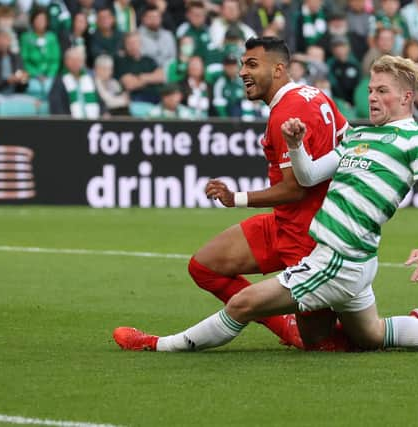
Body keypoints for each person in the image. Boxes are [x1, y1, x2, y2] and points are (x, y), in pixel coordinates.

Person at [113, 54, 418, 354]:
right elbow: (309, 177)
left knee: (242, 304)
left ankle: (156, 345)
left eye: (383, 91)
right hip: (355, 261)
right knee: (370, 337)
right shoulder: (359, 134)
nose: (373, 97)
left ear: (407, 97)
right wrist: (295, 145)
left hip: (338, 260)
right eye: (371, 89)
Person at [117, 36, 356, 351]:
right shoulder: (316, 95)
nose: (242, 71)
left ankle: (409, 327)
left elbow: (295, 189)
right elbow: (349, 139)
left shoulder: (286, 114)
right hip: (286, 224)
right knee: (204, 266)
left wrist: (236, 198)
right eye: (243, 64)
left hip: (308, 238)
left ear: (279, 69)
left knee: (322, 342)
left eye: (252, 64)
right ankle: (286, 326)